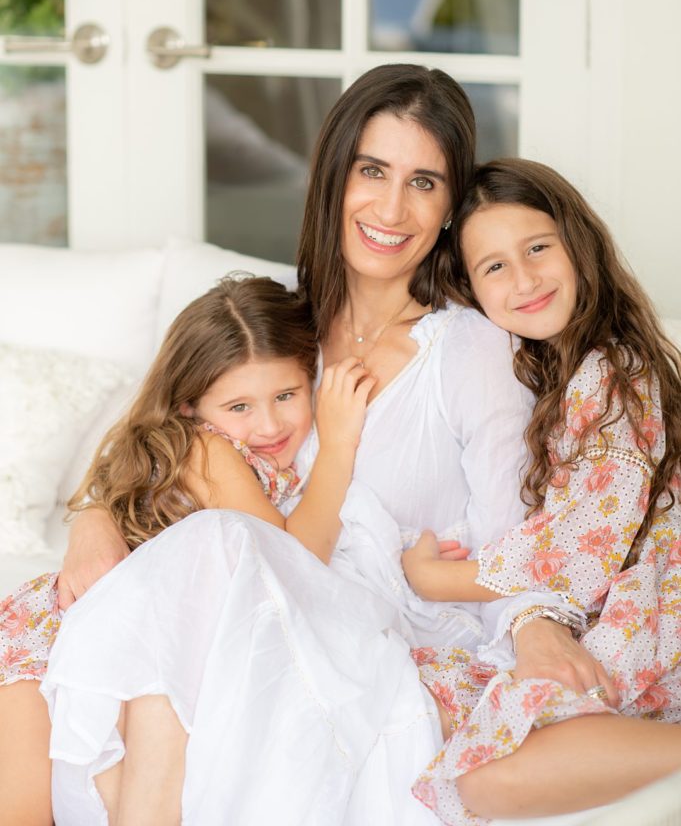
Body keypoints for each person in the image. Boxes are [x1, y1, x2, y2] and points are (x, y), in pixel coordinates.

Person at [22, 65, 546, 825]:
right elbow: (166, 427)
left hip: (371, 628)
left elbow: (516, 543)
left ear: (448, 208)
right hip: (245, 618)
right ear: (334, 176)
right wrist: (95, 517)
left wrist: (530, 635)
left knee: (217, 544)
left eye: (424, 182)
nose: (391, 207)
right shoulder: (287, 323)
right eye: (372, 170)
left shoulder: (469, 352)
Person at [0, 275, 375, 826]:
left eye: (287, 395)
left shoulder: (239, 449)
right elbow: (291, 558)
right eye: (240, 405)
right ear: (190, 407)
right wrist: (340, 445)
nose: (269, 424)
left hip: (101, 627)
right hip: (47, 632)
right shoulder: (208, 447)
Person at [402, 158, 681, 824]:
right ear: (469, 288)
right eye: (494, 266)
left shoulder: (612, 370)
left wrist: (440, 580)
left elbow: (584, 543)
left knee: (481, 782)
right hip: (621, 610)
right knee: (427, 699)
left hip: (653, 614)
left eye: (536, 248)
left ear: (576, 245)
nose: (523, 278)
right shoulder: (551, 370)